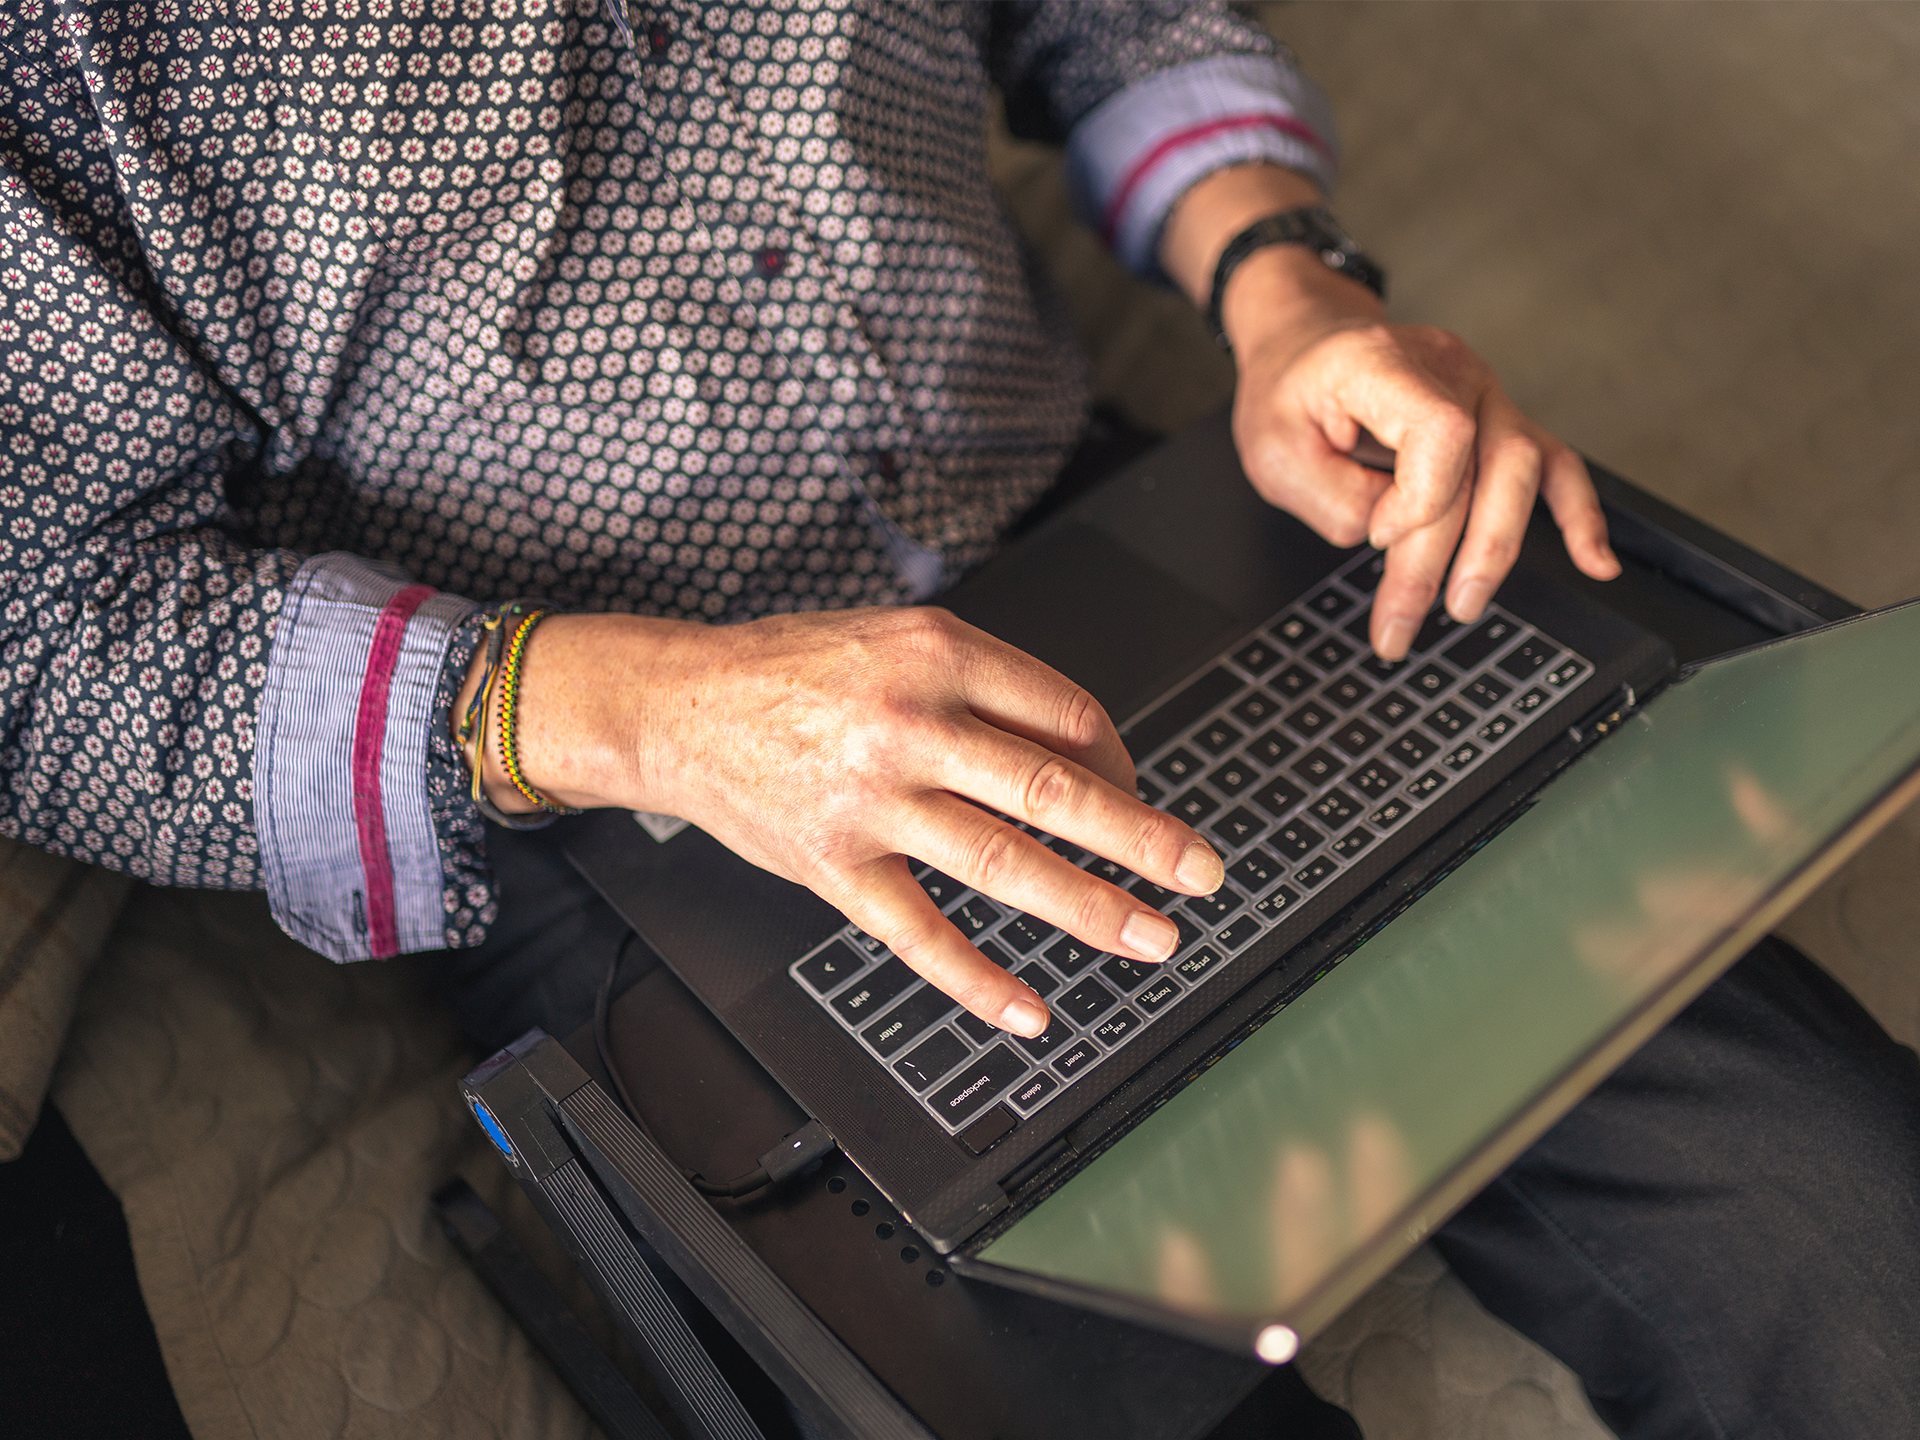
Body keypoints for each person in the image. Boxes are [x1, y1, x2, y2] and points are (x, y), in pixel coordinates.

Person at [1, 2, 1914, 1436]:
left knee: (1861, 1251)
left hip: (1109, 537)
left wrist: (1281, 276)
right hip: (621, 794)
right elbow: (45, 642)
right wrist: (653, 713)